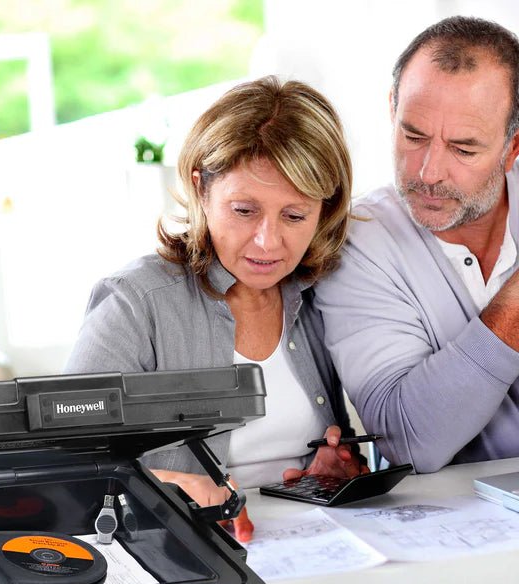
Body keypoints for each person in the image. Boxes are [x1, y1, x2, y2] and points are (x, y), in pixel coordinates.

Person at [65, 76, 366, 542]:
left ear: (325, 210)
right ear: (200, 188)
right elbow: (67, 472)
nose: (268, 241)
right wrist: (166, 488)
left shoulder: (321, 295)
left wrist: (329, 467)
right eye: (244, 210)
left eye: (294, 215)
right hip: (184, 558)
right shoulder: (135, 302)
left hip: (315, 552)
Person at [314, 16, 519, 474]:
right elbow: (409, 439)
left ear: (513, 146)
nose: (427, 172)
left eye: (464, 148)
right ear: (392, 109)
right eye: (413, 135)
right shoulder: (357, 242)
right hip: (460, 529)